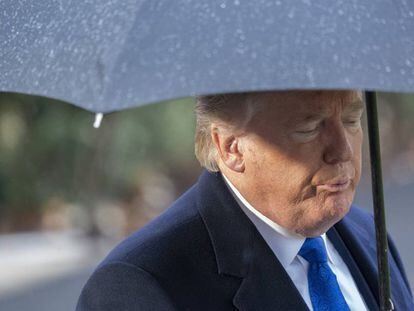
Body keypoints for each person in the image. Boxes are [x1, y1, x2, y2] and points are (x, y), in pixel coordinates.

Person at [77, 90, 413, 310]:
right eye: (309, 128)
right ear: (231, 148)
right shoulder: (136, 287)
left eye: (351, 120)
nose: (343, 151)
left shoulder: (369, 233)